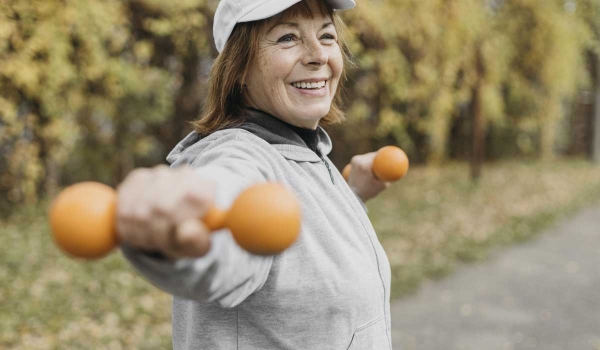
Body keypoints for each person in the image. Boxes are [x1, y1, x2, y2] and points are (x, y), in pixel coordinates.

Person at [118, 0, 393, 348]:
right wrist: (178, 241)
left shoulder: (304, 150)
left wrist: (351, 195)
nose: (318, 55)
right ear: (239, 68)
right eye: (287, 38)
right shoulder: (237, 156)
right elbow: (225, 234)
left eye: (326, 35)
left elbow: (299, 250)